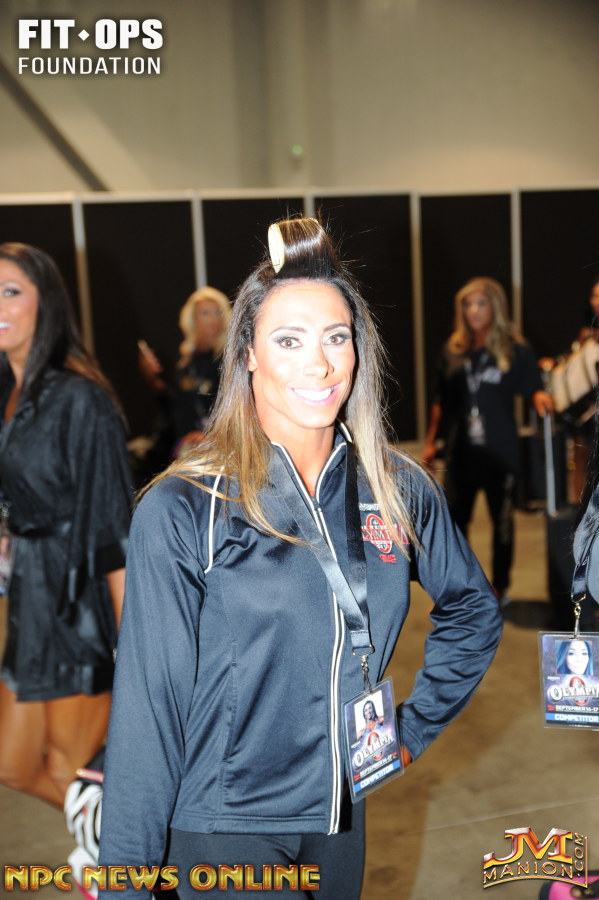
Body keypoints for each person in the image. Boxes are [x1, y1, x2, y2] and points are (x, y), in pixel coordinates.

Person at [98, 218, 502, 899]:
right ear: (248, 354)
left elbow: (472, 611)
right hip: (226, 824)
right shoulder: (184, 507)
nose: (319, 364)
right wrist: (125, 884)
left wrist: (407, 732)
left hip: (341, 814)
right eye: (289, 340)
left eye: (335, 337)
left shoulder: (395, 488)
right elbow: (147, 712)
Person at [0, 242, 132, 809]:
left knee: (69, 771)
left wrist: (135, 644)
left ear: (46, 302)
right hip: (30, 600)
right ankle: (115, 845)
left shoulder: (81, 399)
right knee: (12, 764)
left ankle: (126, 853)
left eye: (10, 291)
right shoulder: (11, 392)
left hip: (79, 605)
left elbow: (115, 530)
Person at [423, 276, 553, 605]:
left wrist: (540, 397)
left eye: (481, 303)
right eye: (468, 304)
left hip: (501, 453)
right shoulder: (453, 350)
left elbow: (532, 387)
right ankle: (462, 584)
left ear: (495, 306)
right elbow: (440, 401)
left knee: (503, 524)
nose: (474, 311)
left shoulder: (515, 350)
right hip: (461, 453)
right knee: (454, 523)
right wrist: (430, 442)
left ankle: (500, 587)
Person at [138, 286, 231, 460]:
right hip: (187, 447)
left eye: (217, 312)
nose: (213, 318)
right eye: (205, 313)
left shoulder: (229, 359)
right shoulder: (186, 361)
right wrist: (151, 377)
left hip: (219, 446)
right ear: (192, 319)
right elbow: (176, 405)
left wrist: (209, 436)